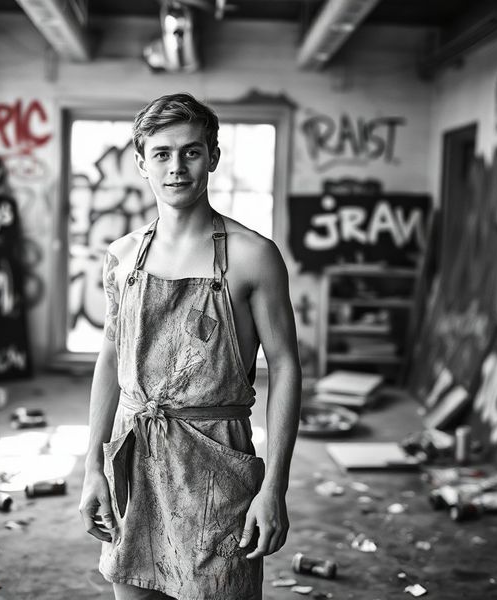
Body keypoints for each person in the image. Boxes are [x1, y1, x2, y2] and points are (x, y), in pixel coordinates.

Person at [79, 92, 301, 600]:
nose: (176, 167)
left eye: (191, 152)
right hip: (135, 464)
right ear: (141, 163)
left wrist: (274, 488)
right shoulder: (122, 256)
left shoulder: (254, 257)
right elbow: (111, 356)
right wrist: (93, 465)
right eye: (161, 153)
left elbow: (285, 367)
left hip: (216, 471)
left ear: (213, 157)